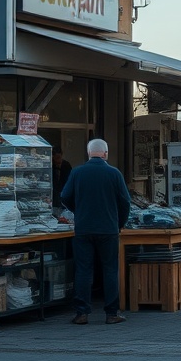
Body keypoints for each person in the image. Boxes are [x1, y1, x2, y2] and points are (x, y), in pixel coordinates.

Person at [61, 138, 131, 325]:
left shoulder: (77, 172)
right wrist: (119, 223)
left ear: (88, 153)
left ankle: (82, 313)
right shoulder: (114, 173)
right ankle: (111, 313)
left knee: (83, 270)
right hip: (108, 229)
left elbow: (65, 197)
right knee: (110, 269)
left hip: (83, 229)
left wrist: (78, 210)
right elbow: (125, 202)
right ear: (106, 153)